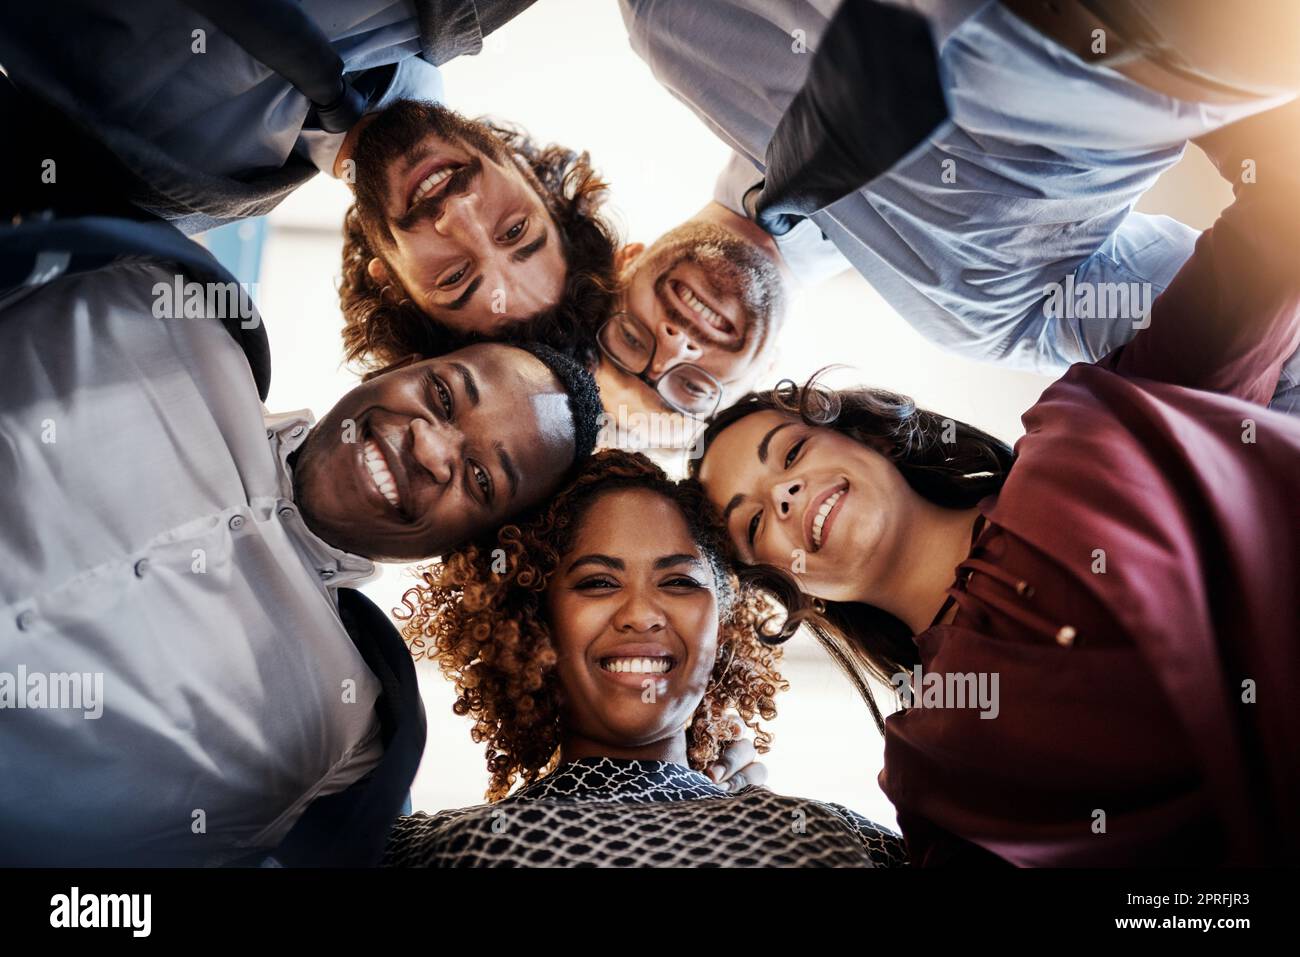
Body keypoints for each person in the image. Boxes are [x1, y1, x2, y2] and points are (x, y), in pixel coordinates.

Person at [686, 106, 1300, 865]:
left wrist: (1166, 82)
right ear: (787, 587)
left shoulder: (1088, 418)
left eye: (788, 453)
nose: (781, 498)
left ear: (864, 437)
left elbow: (1279, 218)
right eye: (753, 524)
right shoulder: (931, 773)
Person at [0, 225, 603, 865]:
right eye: (443, 394)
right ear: (403, 365)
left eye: (481, 478)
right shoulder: (162, 303)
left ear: (474, 542)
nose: (429, 448)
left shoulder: (344, 743)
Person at [615, 0, 1300, 424]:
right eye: (691, 389)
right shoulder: (990, 325)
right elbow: (1269, 348)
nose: (676, 345)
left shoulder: (668, 20)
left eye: (630, 340)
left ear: (621, 262)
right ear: (764, 379)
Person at [383, 449, 906, 867]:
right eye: (597, 583)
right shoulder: (420, 851)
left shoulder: (837, 840)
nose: (641, 614)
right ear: (532, 624)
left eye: (678, 582)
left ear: (720, 631)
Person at [0, 2, 621, 347]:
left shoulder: (150, 208)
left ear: (391, 282)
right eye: (515, 229)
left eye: (455, 275)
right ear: (536, 179)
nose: (457, 216)